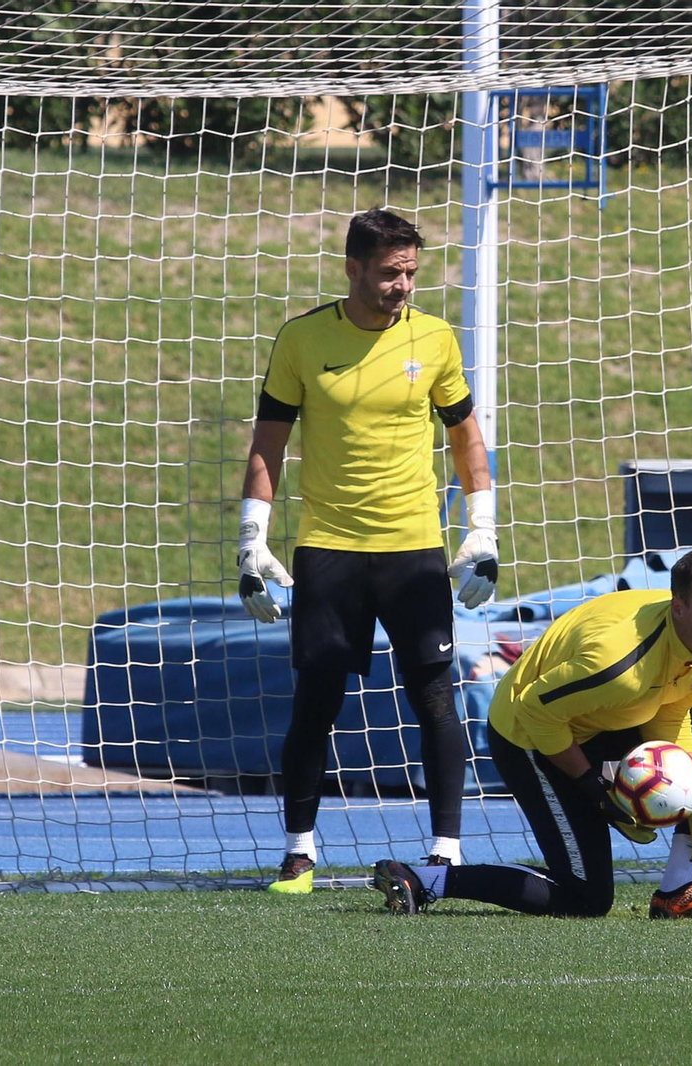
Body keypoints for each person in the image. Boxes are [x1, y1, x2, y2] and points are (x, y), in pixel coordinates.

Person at [236, 208, 498, 894]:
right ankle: (298, 854)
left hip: (414, 552)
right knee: (315, 704)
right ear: (353, 268)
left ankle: (446, 852)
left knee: (437, 700)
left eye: (410, 271)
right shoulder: (301, 339)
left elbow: (466, 437)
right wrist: (250, 540)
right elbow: (269, 442)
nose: (402, 285)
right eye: (389, 272)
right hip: (329, 551)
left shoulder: (436, 340)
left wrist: (484, 529)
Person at [371, 546, 692, 920]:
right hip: (529, 734)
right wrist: (596, 789)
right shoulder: (617, 666)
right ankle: (423, 878)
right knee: (585, 898)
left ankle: (681, 891)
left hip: (609, 717)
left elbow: (674, 702)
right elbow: (533, 711)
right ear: (678, 608)